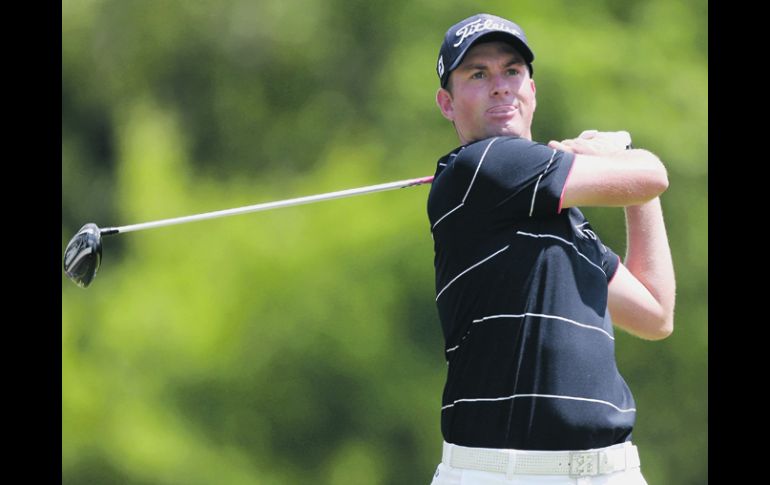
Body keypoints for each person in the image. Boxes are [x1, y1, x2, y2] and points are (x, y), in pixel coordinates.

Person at [427, 13, 675, 485]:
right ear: (447, 102)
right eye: (478, 74)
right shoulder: (480, 166)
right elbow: (653, 175)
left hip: (610, 470)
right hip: (500, 474)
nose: (500, 86)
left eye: (512, 70)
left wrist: (635, 190)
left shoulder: (565, 224)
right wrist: (621, 154)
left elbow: (655, 313)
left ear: (532, 91)